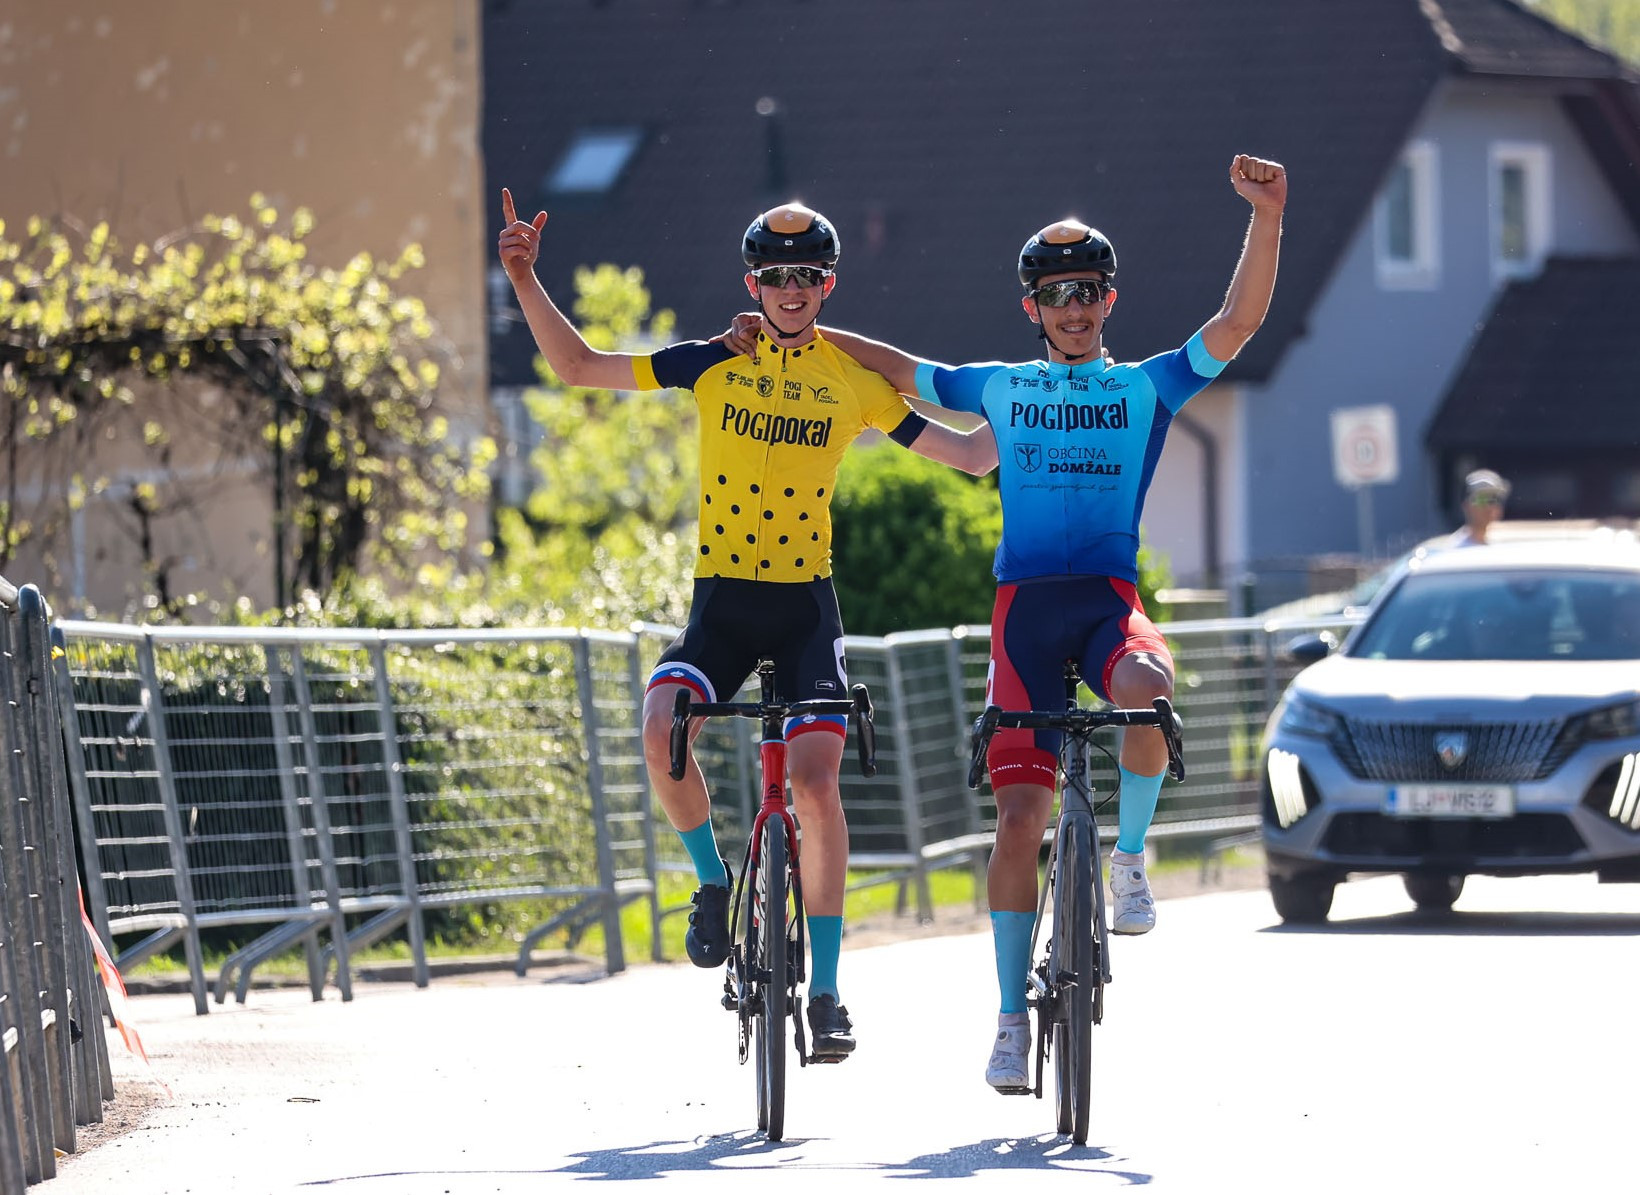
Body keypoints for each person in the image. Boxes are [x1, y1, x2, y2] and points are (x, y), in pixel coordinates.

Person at [725, 153, 1286, 1091]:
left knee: (1151, 694)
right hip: (1023, 616)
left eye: (1088, 292)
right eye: (1055, 293)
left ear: (1109, 299)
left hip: (1108, 606)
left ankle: (1132, 859)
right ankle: (1008, 1019)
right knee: (1019, 818)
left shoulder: (1146, 387)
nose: (1073, 306)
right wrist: (794, 329)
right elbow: (899, 367)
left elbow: (1238, 324)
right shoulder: (1000, 387)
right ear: (1033, 306)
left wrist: (1267, 215)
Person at [497, 189, 995, 1059]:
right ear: (751, 282)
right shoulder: (713, 361)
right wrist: (524, 279)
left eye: (806, 275)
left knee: (814, 782)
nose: (790, 288)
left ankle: (830, 990)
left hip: (805, 606)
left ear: (829, 283)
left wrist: (1045, 400)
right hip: (722, 603)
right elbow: (579, 368)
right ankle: (710, 881)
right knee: (661, 727)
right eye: (774, 275)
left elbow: (967, 453)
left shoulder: (853, 384)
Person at [1447, 469, 1511, 547]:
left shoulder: (1505, 545)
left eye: (1495, 499)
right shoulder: (1454, 549)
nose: (1489, 507)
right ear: (1466, 506)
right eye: (1482, 499)